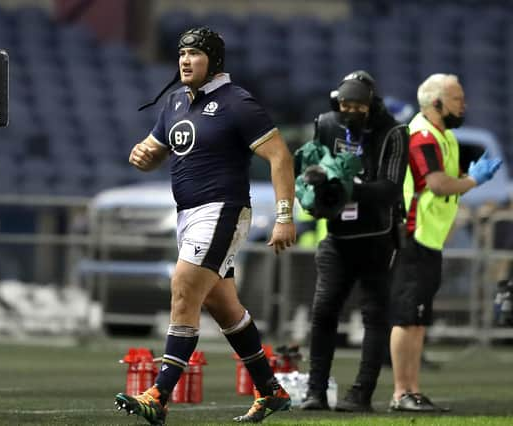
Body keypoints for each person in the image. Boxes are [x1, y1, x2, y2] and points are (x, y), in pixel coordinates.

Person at [113, 27, 296, 425]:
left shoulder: (238, 102)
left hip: (223, 210)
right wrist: (143, 154)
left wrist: (284, 217)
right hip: (188, 214)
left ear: (213, 61)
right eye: (181, 53)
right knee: (222, 305)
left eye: (194, 54)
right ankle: (270, 390)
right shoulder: (176, 101)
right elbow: (156, 150)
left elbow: (280, 157)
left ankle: (159, 394)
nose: (184, 60)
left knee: (183, 287)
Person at [297, 71, 409, 412]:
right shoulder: (327, 124)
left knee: (374, 316)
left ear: (370, 104)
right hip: (337, 237)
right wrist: (313, 187)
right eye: (345, 104)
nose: (350, 111)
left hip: (378, 237)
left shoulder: (393, 131)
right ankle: (315, 392)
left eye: (358, 106)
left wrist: (347, 188)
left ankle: (360, 394)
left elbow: (389, 190)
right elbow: (311, 167)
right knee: (323, 311)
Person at [389, 74, 502, 412]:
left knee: (418, 319)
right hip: (414, 236)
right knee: (407, 317)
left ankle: (413, 389)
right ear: (435, 103)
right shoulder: (423, 136)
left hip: (430, 238)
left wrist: (466, 181)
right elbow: (437, 185)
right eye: (456, 99)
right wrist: (472, 180)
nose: (463, 105)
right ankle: (400, 392)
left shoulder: (443, 136)